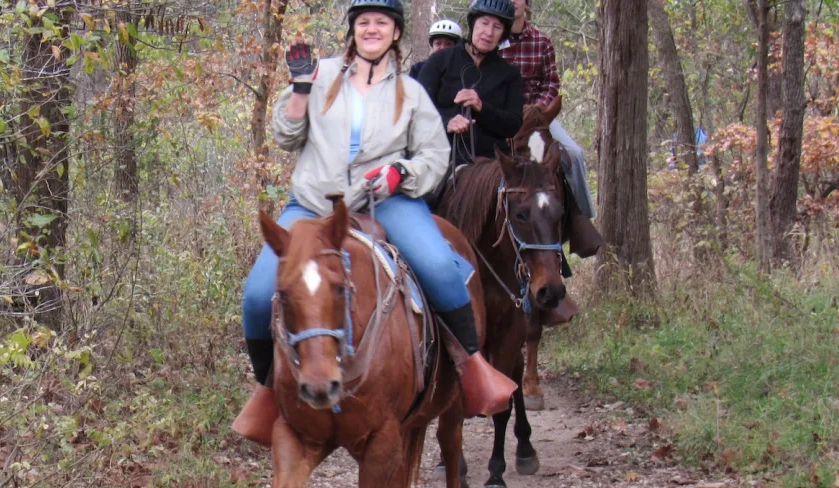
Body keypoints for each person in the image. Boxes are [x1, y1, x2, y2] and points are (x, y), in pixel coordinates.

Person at [231, 0, 516, 447]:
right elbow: (286, 136)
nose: (372, 29)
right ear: (352, 30)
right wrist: (301, 89)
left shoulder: (411, 92)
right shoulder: (321, 75)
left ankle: (474, 370)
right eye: (363, 22)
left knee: (442, 269)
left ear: (396, 33)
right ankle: (270, 393)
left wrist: (402, 172)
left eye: (381, 22)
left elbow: (435, 155)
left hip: (387, 203)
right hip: (312, 206)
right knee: (255, 294)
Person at [498, 0, 602, 258]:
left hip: (538, 117)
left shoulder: (541, 41)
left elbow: (551, 82)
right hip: (503, 118)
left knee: (573, 154)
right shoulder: (492, 38)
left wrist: (538, 112)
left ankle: (580, 220)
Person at [415, 0, 524, 168]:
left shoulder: (510, 74)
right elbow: (418, 111)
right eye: (484, 23)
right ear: (473, 23)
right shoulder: (440, 61)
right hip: (439, 156)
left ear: (503, 33)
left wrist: (482, 107)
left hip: (489, 163)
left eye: (497, 27)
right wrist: (446, 122)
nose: (488, 32)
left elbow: (512, 125)